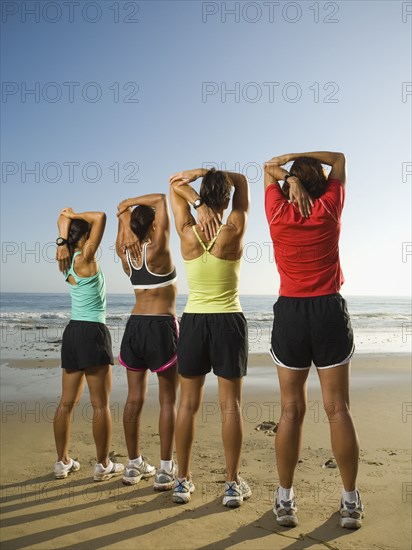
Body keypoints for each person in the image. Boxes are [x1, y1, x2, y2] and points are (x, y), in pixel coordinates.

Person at [264, 151, 363, 529]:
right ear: (321, 184)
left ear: (293, 184)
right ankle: (350, 501)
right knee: (338, 409)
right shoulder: (330, 209)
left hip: (290, 313)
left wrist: (288, 176)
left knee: (291, 410)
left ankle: (286, 500)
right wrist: (299, 170)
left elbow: (266, 167)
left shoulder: (277, 211)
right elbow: (339, 157)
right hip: (327, 313)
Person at [169, 167, 251, 508]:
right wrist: (218, 174)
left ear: (203, 193)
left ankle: (182, 482)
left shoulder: (187, 229)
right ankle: (232, 485)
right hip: (228, 321)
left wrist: (198, 190)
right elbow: (244, 183)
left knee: (186, 405)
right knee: (230, 406)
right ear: (227, 198)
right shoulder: (233, 227)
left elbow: (174, 183)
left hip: (193, 323)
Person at [54, 208, 124, 481]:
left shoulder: (65, 257)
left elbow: (61, 217)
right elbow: (102, 216)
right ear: (85, 236)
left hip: (72, 332)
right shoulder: (86, 256)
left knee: (65, 403)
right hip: (93, 331)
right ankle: (103, 465)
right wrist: (76, 214)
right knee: (100, 405)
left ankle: (62, 462)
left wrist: (65, 227)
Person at [116, 194, 179, 490]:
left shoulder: (124, 252)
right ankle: (165, 469)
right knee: (167, 400)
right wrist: (129, 202)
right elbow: (162, 198)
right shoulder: (159, 250)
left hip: (134, 328)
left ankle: (133, 465)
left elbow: (120, 214)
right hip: (160, 327)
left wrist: (124, 213)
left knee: (134, 399)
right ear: (154, 225)